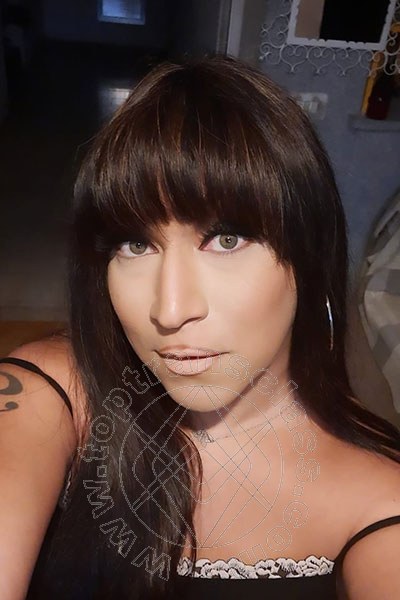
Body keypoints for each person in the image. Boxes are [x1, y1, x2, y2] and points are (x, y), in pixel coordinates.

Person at [1, 56, 400, 600]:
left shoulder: (380, 501)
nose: (170, 310)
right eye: (135, 244)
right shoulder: (53, 391)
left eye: (226, 240)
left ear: (309, 256)